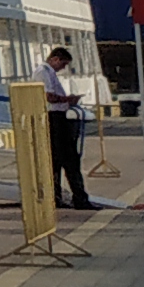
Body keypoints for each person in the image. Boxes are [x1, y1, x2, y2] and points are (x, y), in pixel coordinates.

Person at [40, 42, 96, 211]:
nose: (62, 69)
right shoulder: (43, 72)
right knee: (69, 159)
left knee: (57, 160)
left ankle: (57, 197)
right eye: (62, 64)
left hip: (58, 116)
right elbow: (48, 96)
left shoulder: (48, 72)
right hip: (54, 117)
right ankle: (79, 198)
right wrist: (68, 100)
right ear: (55, 59)